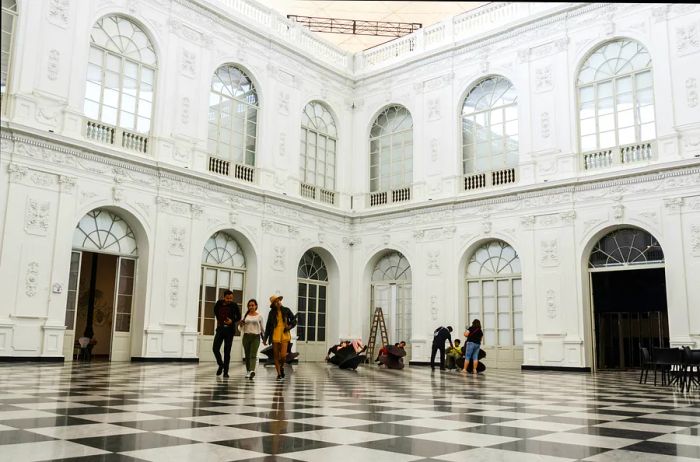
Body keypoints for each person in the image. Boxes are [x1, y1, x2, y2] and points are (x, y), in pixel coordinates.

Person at [263, 294, 297, 380]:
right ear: (273, 304)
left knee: (283, 356)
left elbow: (294, 320)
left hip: (284, 334)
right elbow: (268, 326)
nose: (278, 303)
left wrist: (289, 326)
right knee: (276, 355)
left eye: (278, 301)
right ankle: (278, 373)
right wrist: (265, 338)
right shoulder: (271, 313)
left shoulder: (286, 310)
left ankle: (281, 367)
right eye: (276, 302)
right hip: (275, 334)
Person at [212, 289, 241, 378]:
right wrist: (221, 320)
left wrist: (232, 321)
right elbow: (215, 312)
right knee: (215, 348)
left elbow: (238, 317)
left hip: (230, 331)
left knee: (227, 351)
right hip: (220, 329)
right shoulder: (219, 303)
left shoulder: (234, 305)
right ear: (224, 297)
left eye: (231, 298)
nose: (229, 300)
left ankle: (226, 372)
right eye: (227, 298)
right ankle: (221, 365)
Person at [239, 298, 265, 379]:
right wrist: (241, 324)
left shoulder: (259, 316)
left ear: (256, 306)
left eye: (253, 305)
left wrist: (265, 338)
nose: (251, 307)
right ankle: (248, 371)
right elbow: (240, 328)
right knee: (247, 355)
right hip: (246, 336)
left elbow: (262, 328)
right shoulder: (245, 315)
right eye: (249, 305)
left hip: (256, 337)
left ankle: (252, 371)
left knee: (253, 354)